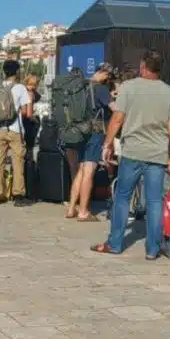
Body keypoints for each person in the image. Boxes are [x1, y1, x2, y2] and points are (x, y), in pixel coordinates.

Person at [93, 50, 170, 260]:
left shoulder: (129, 88)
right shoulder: (169, 92)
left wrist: (107, 144)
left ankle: (115, 243)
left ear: (142, 66)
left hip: (132, 150)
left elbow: (117, 118)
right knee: (154, 201)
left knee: (122, 197)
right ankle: (152, 249)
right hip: (157, 153)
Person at [65, 63, 114, 221]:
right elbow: (116, 108)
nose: (108, 79)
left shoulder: (81, 86)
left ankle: (71, 208)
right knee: (89, 171)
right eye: (108, 76)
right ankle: (84, 211)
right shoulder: (100, 89)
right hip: (94, 132)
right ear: (103, 72)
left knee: (80, 170)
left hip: (79, 131)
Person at [0, 60, 32, 205]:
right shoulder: (20, 88)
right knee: (17, 161)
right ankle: (18, 194)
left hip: (0, 129)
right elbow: (26, 112)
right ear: (17, 72)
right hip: (15, 129)